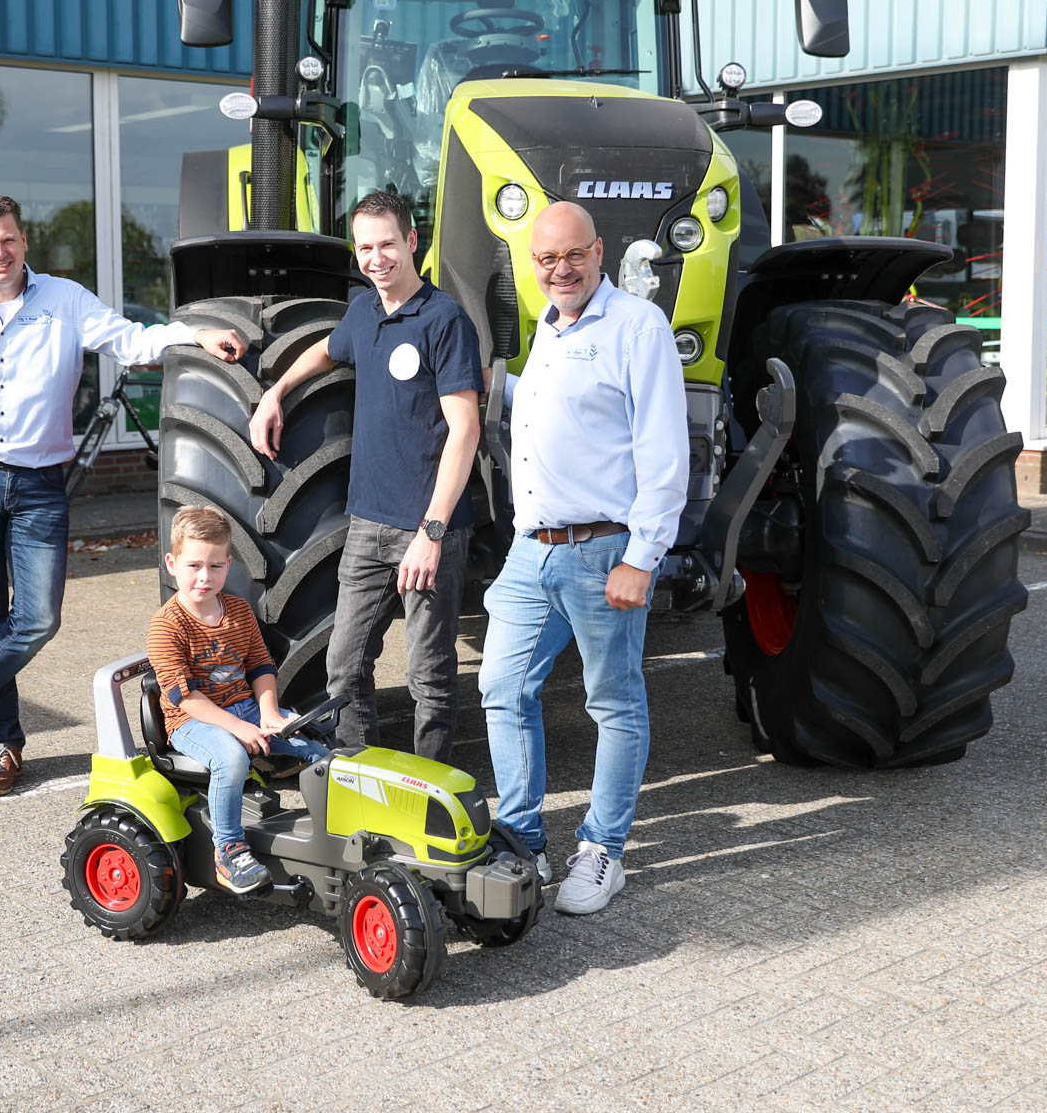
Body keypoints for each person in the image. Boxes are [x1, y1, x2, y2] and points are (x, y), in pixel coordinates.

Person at [0, 194, 247, 796]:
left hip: (39, 485)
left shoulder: (66, 299)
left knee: (37, 620)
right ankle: (5, 747)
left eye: (8, 239)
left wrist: (195, 334)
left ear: (24, 241)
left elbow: (131, 340)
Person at [478, 201, 690, 916]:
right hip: (531, 551)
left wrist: (643, 556)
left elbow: (665, 452)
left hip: (604, 550)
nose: (560, 269)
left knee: (614, 702)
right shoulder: (549, 326)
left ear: (599, 252)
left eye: (573, 255)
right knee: (502, 687)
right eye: (547, 259)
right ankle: (522, 841)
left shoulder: (637, 326)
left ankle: (603, 850)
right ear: (532, 264)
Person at [248, 191, 481, 762]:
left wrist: (431, 533)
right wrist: (276, 392)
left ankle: (428, 787)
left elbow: (465, 430)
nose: (376, 258)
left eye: (387, 245)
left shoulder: (444, 320)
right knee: (344, 665)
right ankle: (362, 778)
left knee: (429, 675)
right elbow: (326, 351)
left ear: (412, 242)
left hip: (429, 531)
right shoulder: (363, 311)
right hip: (367, 526)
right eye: (365, 247)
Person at [147, 506, 330, 893]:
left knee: (314, 746)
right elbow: (185, 698)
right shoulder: (166, 626)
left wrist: (268, 713)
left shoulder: (239, 611)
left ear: (228, 565)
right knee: (231, 758)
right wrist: (240, 728)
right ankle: (228, 851)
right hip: (192, 722)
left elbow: (261, 666)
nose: (205, 576)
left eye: (215, 566)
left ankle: (336, 831)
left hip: (245, 707)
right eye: (194, 565)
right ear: (172, 564)